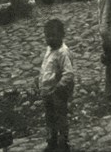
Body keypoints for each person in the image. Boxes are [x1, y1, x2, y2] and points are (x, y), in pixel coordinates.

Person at [39, 19, 74, 152]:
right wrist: (40, 80)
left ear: (62, 35)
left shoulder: (63, 52)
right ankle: (51, 140)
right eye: (48, 36)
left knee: (60, 116)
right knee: (49, 116)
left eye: (54, 36)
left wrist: (60, 86)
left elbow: (69, 72)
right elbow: (45, 67)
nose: (50, 39)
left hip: (58, 91)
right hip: (47, 91)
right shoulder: (49, 49)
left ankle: (63, 142)